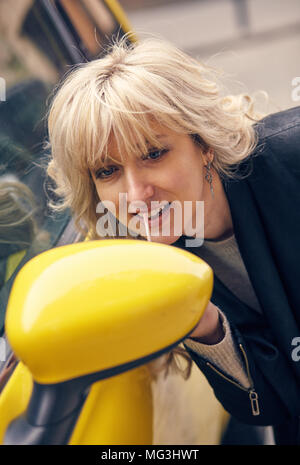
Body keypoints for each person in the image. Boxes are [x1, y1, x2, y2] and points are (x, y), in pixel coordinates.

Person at [46, 37, 300, 445]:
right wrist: (205, 326)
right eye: (107, 171)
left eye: (153, 154)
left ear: (202, 145)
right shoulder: (155, 262)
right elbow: (269, 405)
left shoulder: (291, 157)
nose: (136, 192)